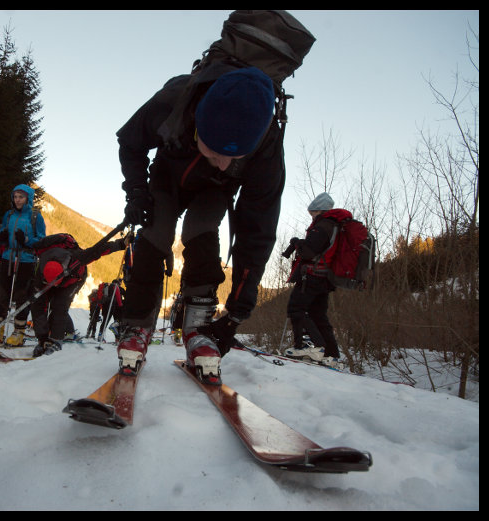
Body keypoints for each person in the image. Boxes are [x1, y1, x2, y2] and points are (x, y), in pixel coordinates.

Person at [115, 66, 282, 385]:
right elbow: (130, 141)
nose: (222, 161)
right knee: (156, 234)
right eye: (215, 150)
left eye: (234, 157)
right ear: (198, 127)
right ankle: (136, 324)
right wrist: (136, 191)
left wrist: (236, 313)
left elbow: (257, 231)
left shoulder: (267, 145)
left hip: (215, 188)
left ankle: (198, 327)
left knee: (201, 233)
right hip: (167, 176)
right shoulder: (173, 102)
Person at [30, 233, 130, 357]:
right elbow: (38, 308)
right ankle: (44, 340)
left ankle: (56, 340)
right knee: (38, 304)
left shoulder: (76, 259)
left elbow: (98, 250)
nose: (55, 287)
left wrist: (121, 244)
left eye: (56, 284)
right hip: (51, 278)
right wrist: (42, 338)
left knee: (59, 306)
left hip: (73, 279)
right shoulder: (40, 272)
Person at [282, 192, 342, 368]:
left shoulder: (322, 225)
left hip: (312, 275)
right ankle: (332, 355)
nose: (312, 216)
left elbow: (309, 252)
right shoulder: (335, 225)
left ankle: (310, 346)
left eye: (312, 213)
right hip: (325, 278)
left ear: (319, 210)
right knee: (318, 315)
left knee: (296, 308)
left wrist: (297, 243)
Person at [0, 184, 45, 346]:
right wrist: (2, 237)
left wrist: (27, 240)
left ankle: (18, 332)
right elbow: (3, 234)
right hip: (8, 257)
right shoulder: (9, 214)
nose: (17, 200)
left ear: (28, 198)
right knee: (3, 293)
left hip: (26, 259)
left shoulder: (35, 217)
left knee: (21, 296)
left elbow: (41, 240)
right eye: (15, 196)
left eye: (21, 197)